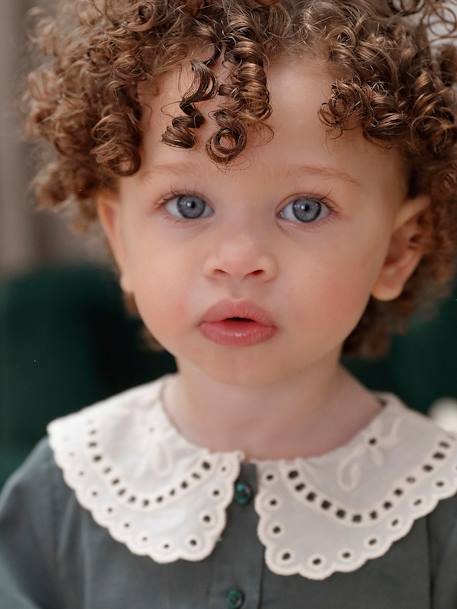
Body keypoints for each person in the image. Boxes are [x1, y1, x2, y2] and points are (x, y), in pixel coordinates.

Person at [2, 0, 457, 606]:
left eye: (305, 208)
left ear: (401, 250)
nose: (239, 259)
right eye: (189, 205)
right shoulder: (66, 485)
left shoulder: (438, 501)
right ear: (121, 240)